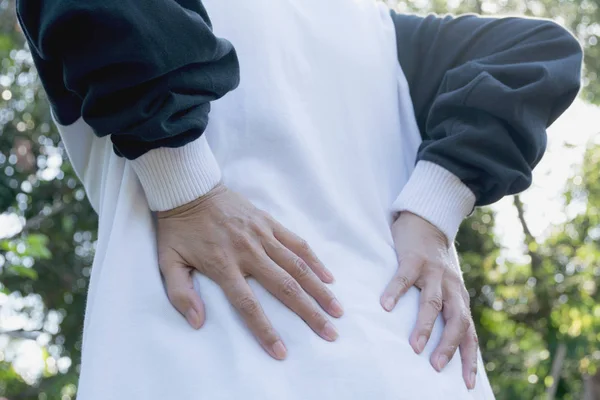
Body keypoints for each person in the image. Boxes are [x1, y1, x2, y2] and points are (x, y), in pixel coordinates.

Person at [16, 0, 582, 399]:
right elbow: (539, 51)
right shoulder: (385, 34)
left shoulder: (378, 28)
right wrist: (434, 208)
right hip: (415, 370)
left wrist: (181, 185)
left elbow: (539, 50)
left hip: (206, 367)